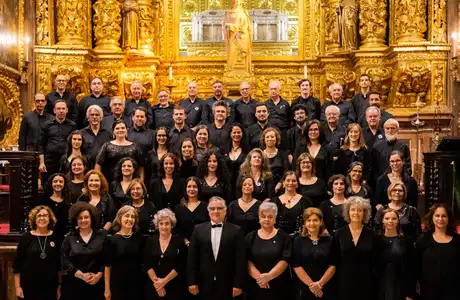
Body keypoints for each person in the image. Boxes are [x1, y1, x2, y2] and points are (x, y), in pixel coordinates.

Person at [187, 197, 246, 300]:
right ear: (208, 211)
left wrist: (238, 284)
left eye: (219, 208)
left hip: (228, 284)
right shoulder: (198, 230)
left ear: (225, 210)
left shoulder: (236, 231)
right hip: (203, 283)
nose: (216, 211)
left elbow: (240, 260)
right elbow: (192, 258)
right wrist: (192, 281)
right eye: (213, 208)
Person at [333, 196, 378, 300]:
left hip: (366, 281)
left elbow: (376, 262)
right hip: (344, 281)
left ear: (365, 213)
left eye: (360, 210)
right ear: (347, 212)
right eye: (353, 210)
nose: (356, 213)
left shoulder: (372, 234)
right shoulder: (339, 233)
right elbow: (334, 260)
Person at [245, 202, 292, 300]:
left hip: (279, 285)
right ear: (259, 218)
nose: (266, 219)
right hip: (255, 285)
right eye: (263, 216)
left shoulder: (284, 237)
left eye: (270, 217)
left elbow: (285, 260)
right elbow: (246, 260)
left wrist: (270, 276)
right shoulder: (250, 237)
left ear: (275, 219)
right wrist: (260, 279)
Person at [61, 202, 107, 300]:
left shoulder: (102, 235)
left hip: (98, 284)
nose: (83, 220)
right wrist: (81, 275)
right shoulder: (69, 237)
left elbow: (107, 258)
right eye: (80, 218)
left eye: (86, 217)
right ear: (75, 220)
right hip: (75, 285)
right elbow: (64, 259)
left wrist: (99, 275)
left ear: (91, 218)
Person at [13, 206, 61, 300]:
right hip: (28, 286)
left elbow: (59, 265)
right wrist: (17, 287)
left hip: (50, 286)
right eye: (39, 216)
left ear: (49, 218)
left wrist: (59, 286)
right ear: (34, 219)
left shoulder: (56, 238)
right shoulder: (26, 238)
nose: (42, 218)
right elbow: (17, 264)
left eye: (45, 215)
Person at [415, 203, 460, 300]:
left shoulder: (458, 241)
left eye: (444, 216)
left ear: (449, 218)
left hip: (453, 291)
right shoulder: (423, 240)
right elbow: (416, 265)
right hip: (428, 291)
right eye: (437, 215)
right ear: (432, 218)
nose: (440, 219)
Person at [292, 208, 337, 300]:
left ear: (321, 222)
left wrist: (319, 284)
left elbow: (333, 265)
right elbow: (296, 265)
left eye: (315, 220)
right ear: (304, 223)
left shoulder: (330, 240)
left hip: (325, 287)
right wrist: (312, 286)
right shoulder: (298, 241)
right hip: (304, 287)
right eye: (309, 220)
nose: (312, 223)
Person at [144, 209, 187, 300]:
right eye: (161, 223)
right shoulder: (150, 240)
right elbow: (147, 263)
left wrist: (164, 281)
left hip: (174, 286)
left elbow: (180, 265)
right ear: (157, 225)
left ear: (172, 225)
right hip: (154, 286)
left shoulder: (179, 241)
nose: (164, 227)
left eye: (167, 223)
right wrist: (158, 285)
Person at [105, 206, 145, 300]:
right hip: (117, 285)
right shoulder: (111, 240)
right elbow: (107, 267)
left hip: (136, 285)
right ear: (120, 218)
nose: (130, 219)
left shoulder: (140, 239)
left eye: (133, 217)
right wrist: (107, 290)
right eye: (127, 216)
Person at [375, 208, 415, 300]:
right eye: (387, 218)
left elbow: (411, 268)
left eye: (394, 219)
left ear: (398, 221)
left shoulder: (406, 242)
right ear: (382, 221)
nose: (390, 221)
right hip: (380, 287)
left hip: (400, 287)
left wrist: (410, 293)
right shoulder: (376, 241)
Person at [39, 100, 77, 187]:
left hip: (66, 162)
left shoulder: (72, 125)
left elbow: (75, 143)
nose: (61, 111)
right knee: (48, 187)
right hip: (49, 162)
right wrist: (42, 162)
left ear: (67, 110)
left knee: (67, 187)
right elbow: (41, 144)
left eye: (63, 108)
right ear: (54, 110)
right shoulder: (47, 125)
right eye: (58, 108)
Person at [95, 119, 144, 184]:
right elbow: (98, 164)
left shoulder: (135, 146)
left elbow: (141, 167)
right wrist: (99, 181)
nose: (120, 130)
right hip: (110, 183)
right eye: (117, 128)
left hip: (131, 184)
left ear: (127, 130)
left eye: (123, 128)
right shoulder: (107, 146)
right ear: (113, 131)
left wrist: (140, 182)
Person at [271, 171, 312, 236]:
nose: (290, 183)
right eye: (288, 180)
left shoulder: (305, 201)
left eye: (294, 181)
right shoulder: (274, 202)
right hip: (278, 238)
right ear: (283, 183)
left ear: (297, 184)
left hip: (300, 238)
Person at [174, 177, 209, 245]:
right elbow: (176, 229)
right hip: (183, 245)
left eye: (195, 186)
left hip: (202, 245)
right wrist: (186, 241)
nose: (192, 189)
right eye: (189, 186)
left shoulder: (206, 207)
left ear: (199, 189)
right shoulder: (179, 208)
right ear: (185, 189)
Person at [41, 173, 71, 244]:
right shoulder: (44, 200)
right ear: (51, 184)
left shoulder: (68, 201)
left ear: (64, 184)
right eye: (55, 181)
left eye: (61, 182)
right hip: (47, 235)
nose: (58, 184)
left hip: (64, 237)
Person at [79, 105, 111, 169]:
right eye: (92, 115)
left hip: (105, 168)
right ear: (88, 117)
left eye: (97, 115)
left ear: (101, 117)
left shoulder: (108, 134)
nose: (94, 117)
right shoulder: (81, 133)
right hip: (86, 168)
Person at [223, 123, 247, 201]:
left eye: (239, 132)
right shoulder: (224, 149)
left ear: (242, 134)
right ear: (230, 134)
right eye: (234, 132)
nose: (236, 134)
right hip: (226, 186)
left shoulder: (247, 150)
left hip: (241, 185)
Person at [265, 81, 292, 148]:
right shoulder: (265, 104)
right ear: (269, 90)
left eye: (275, 89)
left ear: (279, 90)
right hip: (270, 134)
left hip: (284, 133)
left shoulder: (285, 104)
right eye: (271, 89)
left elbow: (290, 119)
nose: (273, 91)